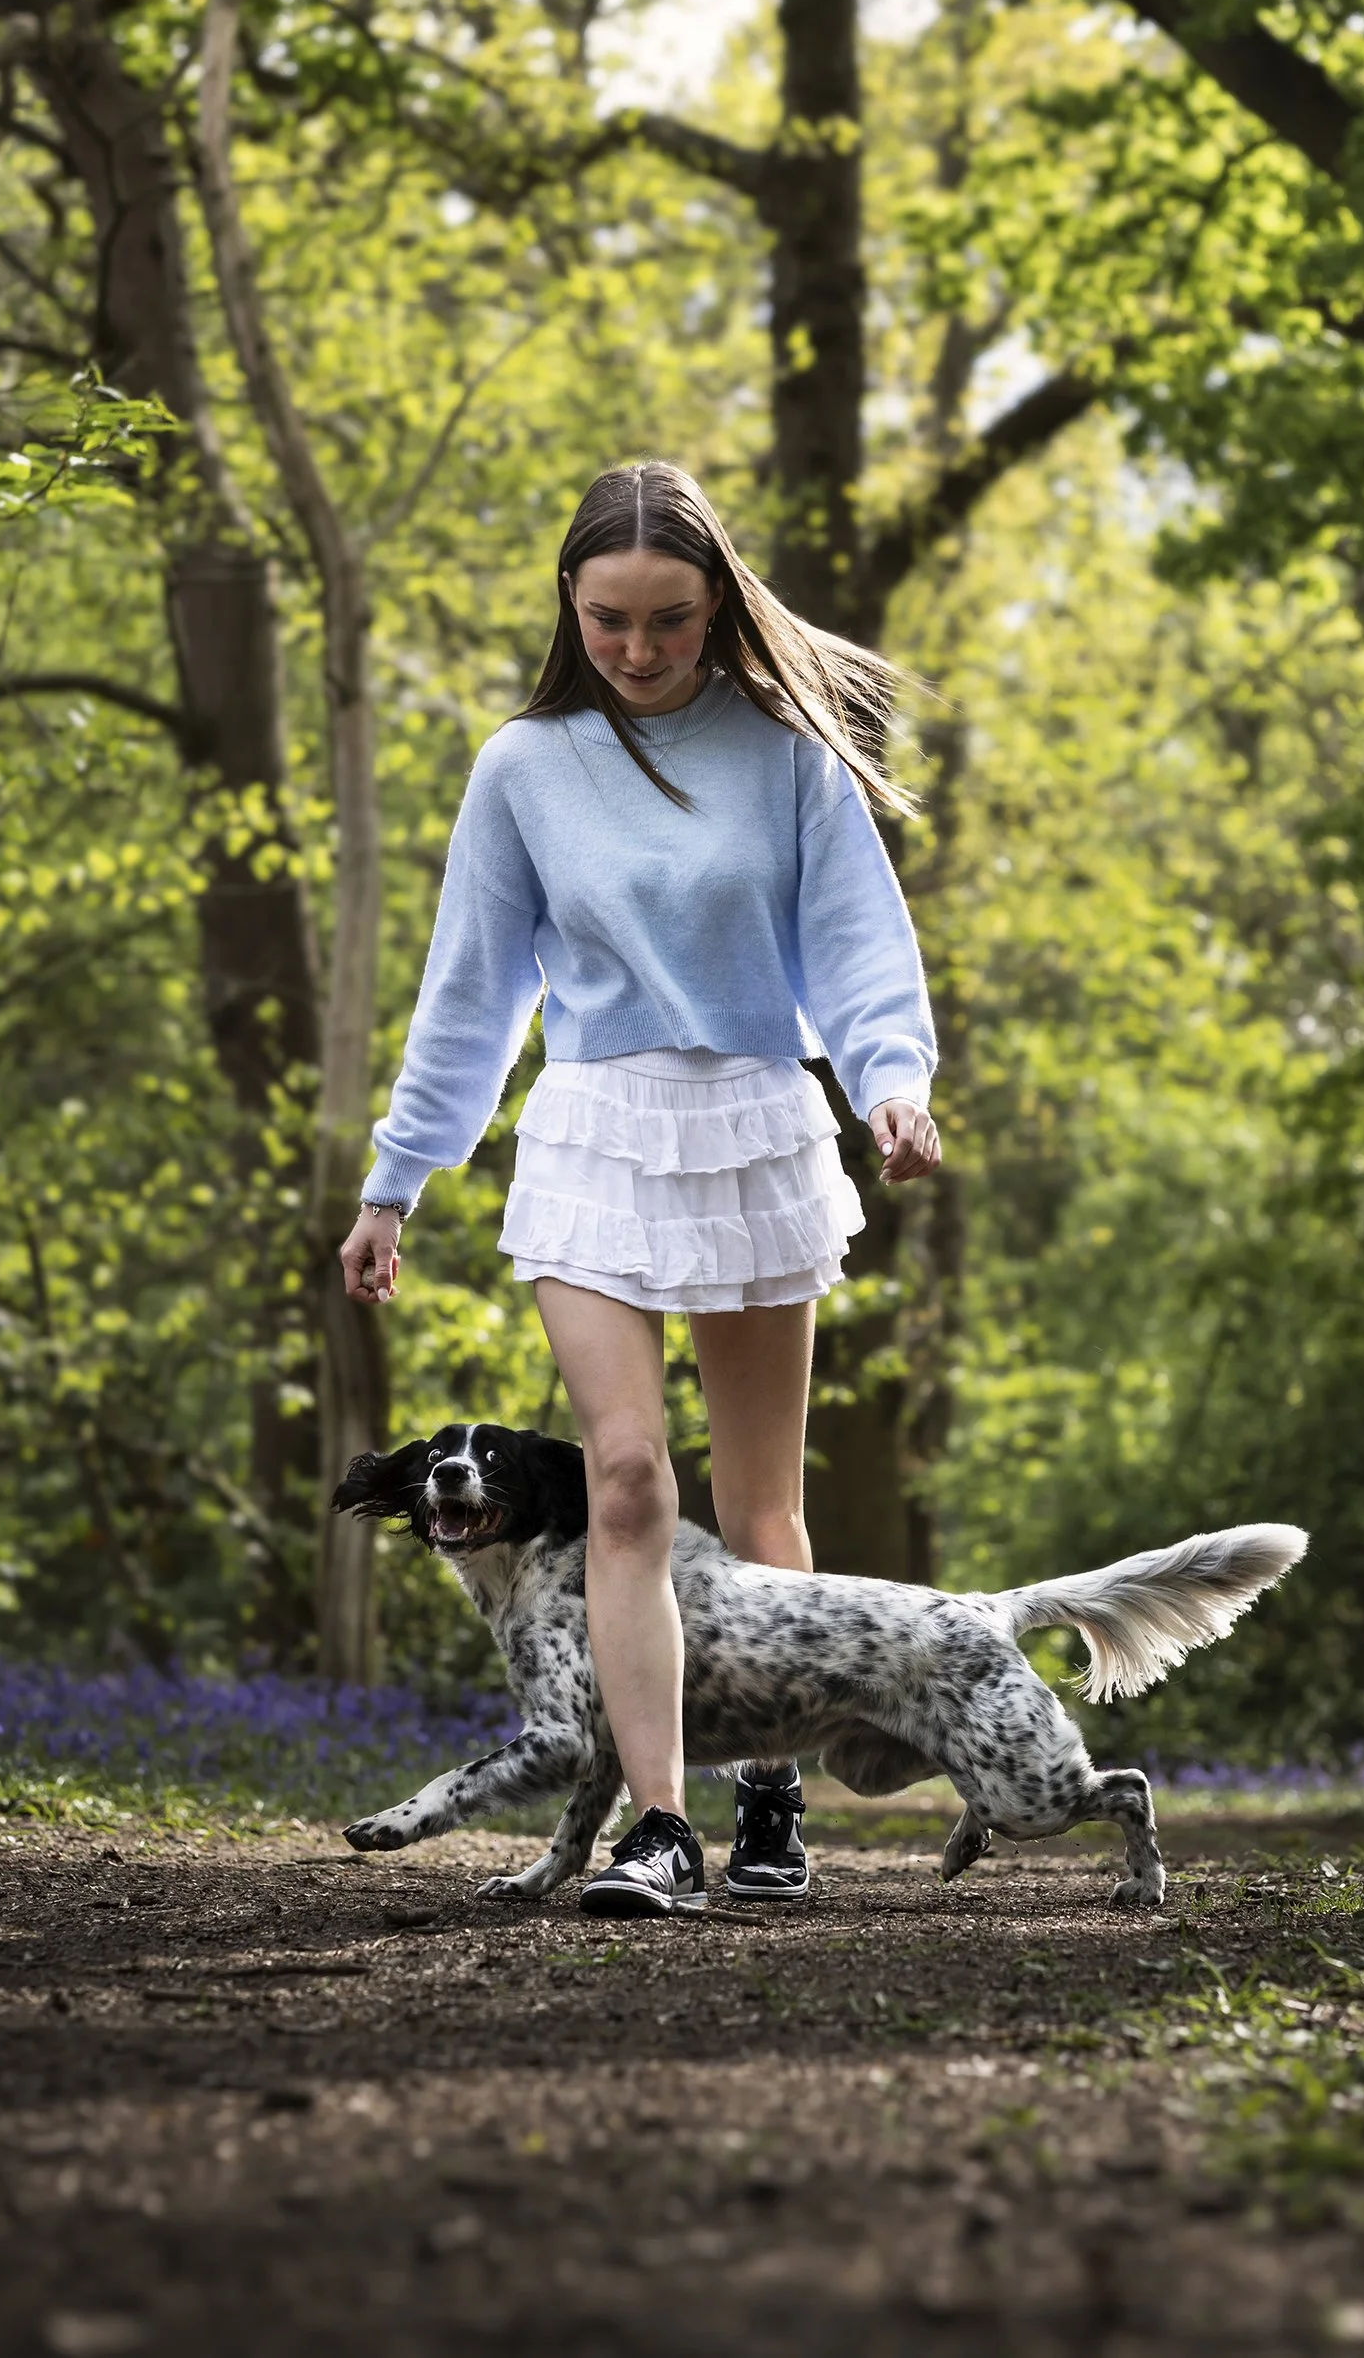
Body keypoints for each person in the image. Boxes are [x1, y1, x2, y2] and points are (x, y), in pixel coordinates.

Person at [339, 461, 940, 1919]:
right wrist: (395, 1180)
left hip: (753, 1130)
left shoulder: (788, 752)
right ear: (570, 603)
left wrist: (891, 1080)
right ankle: (659, 1827)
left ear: (717, 604)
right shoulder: (523, 767)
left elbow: (858, 944)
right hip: (596, 1135)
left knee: (762, 1506)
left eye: (670, 618)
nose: (638, 647)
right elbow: (471, 992)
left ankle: (770, 1798)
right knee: (624, 1481)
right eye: (608, 618)